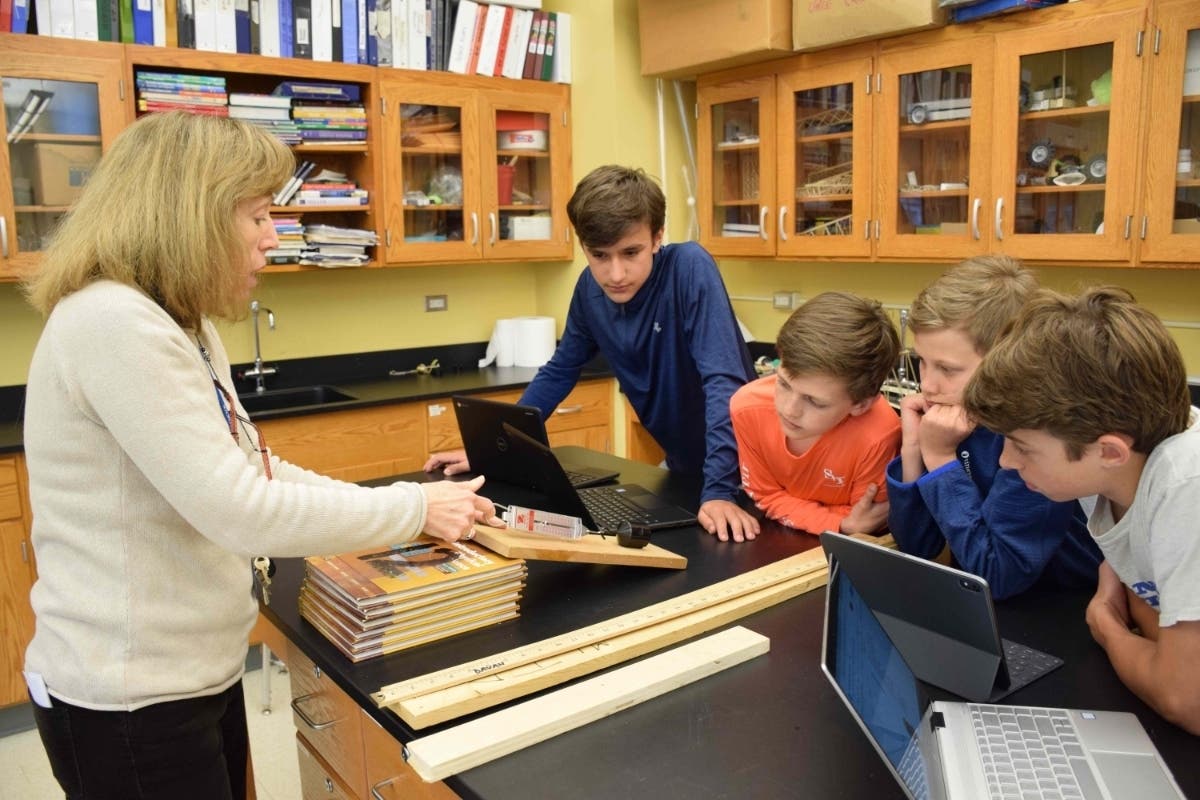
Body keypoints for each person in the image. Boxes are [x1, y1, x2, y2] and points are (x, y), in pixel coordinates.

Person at [20, 111, 503, 800]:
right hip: (128, 697)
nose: (273, 236)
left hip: (192, 672)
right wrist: (412, 507)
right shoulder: (112, 323)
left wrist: (406, 508)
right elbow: (242, 510)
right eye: (257, 215)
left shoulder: (179, 324)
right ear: (190, 218)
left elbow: (254, 467)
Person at [424, 165, 761, 542]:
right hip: (686, 470)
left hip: (747, 474)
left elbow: (723, 383)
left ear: (657, 237)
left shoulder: (689, 268)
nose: (615, 273)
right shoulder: (589, 290)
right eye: (599, 255)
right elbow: (560, 369)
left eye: (630, 252)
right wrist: (491, 453)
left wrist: (719, 489)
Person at [962, 287, 1200, 734]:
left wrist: (1107, 625)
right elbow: (1145, 596)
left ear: (1108, 450)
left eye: (1023, 447)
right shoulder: (1112, 466)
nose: (1005, 462)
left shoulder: (1189, 487)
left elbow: (1185, 699)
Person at [884, 255, 1102, 600]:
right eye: (921, 362)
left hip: (1063, 608)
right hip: (1001, 610)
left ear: (1008, 359)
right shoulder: (948, 419)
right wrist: (914, 449)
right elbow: (919, 548)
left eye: (948, 369)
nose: (927, 385)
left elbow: (996, 575)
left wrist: (940, 459)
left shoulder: (1032, 438)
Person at [730, 291, 900, 535]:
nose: (789, 410)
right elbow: (766, 495)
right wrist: (839, 523)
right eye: (784, 384)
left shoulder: (880, 434)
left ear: (861, 405)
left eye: (815, 402)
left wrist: (844, 523)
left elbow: (866, 521)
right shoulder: (746, 408)